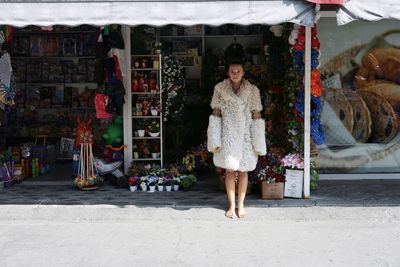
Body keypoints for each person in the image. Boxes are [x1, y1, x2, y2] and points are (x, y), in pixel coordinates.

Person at [207, 60, 266, 218]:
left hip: (246, 135)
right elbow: (216, 114)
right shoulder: (219, 89)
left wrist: (258, 140)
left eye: (238, 71)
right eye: (232, 71)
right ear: (228, 72)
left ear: (243, 72)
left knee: (244, 170)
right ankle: (231, 205)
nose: (235, 74)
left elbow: (256, 114)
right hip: (228, 135)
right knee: (230, 170)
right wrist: (214, 138)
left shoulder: (253, 91)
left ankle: (241, 205)